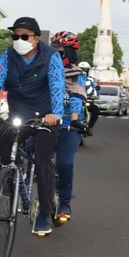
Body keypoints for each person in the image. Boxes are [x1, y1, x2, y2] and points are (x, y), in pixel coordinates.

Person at [0, 17, 65, 236]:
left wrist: (56, 114)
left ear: (36, 38)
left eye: (24, 36)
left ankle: (43, 213)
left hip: (45, 117)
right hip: (18, 115)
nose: (19, 40)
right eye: (16, 36)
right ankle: (11, 178)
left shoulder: (51, 57)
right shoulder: (7, 56)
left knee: (42, 162)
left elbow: (57, 85)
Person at [51, 31, 87, 223]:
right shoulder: (43, 71)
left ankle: (64, 203)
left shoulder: (78, 75)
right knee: (24, 149)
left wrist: (74, 119)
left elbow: (76, 97)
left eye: (61, 52)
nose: (57, 56)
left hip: (68, 124)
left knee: (64, 164)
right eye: (53, 52)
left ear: (71, 53)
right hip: (44, 122)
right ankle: (15, 182)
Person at [78, 61, 100, 136]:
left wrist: (95, 95)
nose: (84, 71)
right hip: (77, 101)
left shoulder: (92, 80)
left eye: (86, 69)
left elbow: (95, 89)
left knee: (96, 110)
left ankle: (90, 127)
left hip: (87, 101)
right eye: (82, 69)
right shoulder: (73, 78)